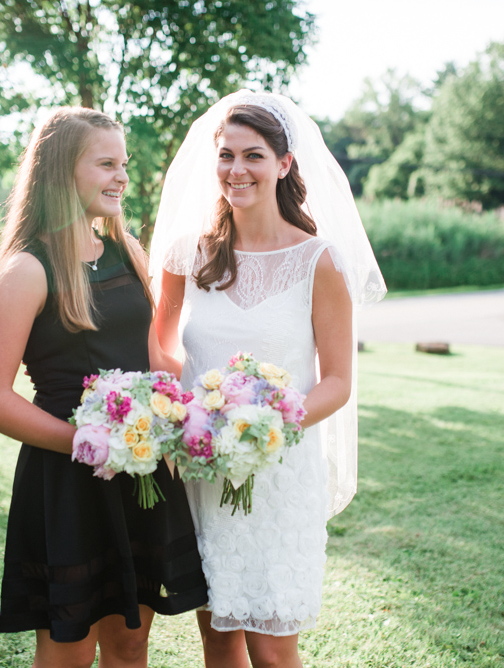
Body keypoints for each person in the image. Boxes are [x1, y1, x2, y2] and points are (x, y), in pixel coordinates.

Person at [150, 91, 386, 667]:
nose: (236, 170)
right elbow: (158, 344)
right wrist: (202, 413)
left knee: (275, 649)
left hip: (280, 469)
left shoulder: (320, 262)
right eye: (226, 155)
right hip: (205, 466)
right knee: (220, 637)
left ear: (284, 164)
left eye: (253, 155)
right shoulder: (189, 254)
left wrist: (264, 424)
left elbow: (335, 381)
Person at [0, 107, 208, 668]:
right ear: (60, 173)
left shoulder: (127, 251)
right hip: (68, 482)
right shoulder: (27, 271)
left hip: (143, 473)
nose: (121, 176)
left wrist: (180, 409)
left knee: (130, 643)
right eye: (106, 164)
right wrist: (89, 443)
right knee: (68, 649)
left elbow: (157, 355)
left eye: (123, 163)